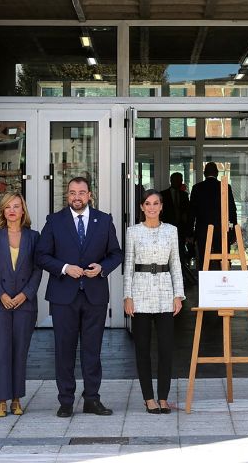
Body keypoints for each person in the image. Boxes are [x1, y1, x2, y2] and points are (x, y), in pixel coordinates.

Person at [35, 176, 123, 417]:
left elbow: (116, 254)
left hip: (95, 295)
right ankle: (65, 401)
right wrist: (64, 268)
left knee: (92, 351)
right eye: (72, 192)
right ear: (67, 195)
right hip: (63, 296)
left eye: (81, 192)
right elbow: (41, 255)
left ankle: (92, 399)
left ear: (89, 195)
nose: (77, 197)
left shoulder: (104, 220)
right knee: (64, 350)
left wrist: (102, 268)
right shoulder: (54, 221)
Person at [123, 190, 185, 414]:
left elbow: (176, 263)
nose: (151, 207)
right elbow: (128, 264)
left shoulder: (171, 230)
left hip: (165, 292)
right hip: (140, 292)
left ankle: (163, 397)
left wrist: (178, 294)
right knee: (142, 348)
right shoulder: (133, 232)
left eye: (155, 203)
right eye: (147, 204)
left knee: (166, 348)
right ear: (142, 207)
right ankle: (148, 398)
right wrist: (127, 296)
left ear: (161, 206)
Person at [0, 193, 42, 418]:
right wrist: (1, 294)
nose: (12, 211)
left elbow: (38, 269)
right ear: (2, 211)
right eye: (7, 207)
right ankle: (1, 400)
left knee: (19, 352)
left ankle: (16, 399)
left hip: (24, 303)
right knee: (0, 352)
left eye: (16, 206)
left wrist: (26, 294)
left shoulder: (34, 237)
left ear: (23, 210)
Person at [190, 162, 237, 267]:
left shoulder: (197, 188)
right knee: (222, 259)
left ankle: (204, 277)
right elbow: (232, 210)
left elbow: (192, 212)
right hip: (221, 230)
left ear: (204, 173)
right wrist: (233, 230)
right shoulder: (225, 187)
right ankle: (222, 277)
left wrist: (190, 233)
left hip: (202, 230)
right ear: (217, 173)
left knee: (204, 260)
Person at [160, 172, 194, 283]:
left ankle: (179, 278)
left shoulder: (184, 195)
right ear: (171, 180)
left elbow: (188, 213)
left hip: (180, 231)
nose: (178, 182)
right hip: (165, 230)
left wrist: (189, 232)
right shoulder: (163, 195)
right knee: (166, 255)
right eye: (176, 180)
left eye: (180, 180)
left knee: (180, 255)